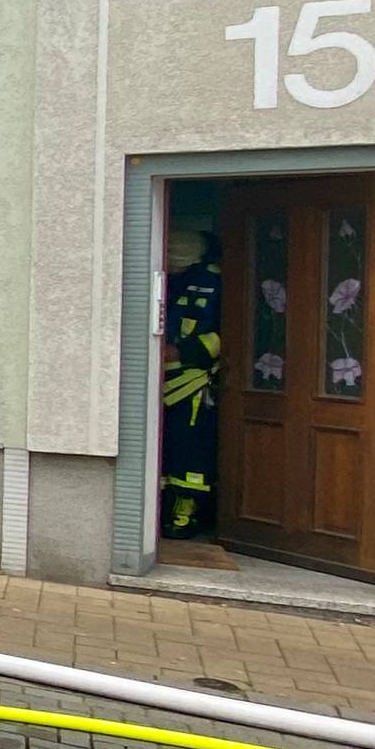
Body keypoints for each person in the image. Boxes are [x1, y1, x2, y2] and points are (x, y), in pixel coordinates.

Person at [161, 228, 225, 538]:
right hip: (161, 380)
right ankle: (161, 511)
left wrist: (184, 351)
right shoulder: (168, 280)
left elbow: (231, 331)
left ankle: (187, 513)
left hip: (195, 381)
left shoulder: (216, 282)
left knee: (191, 449)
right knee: (166, 447)